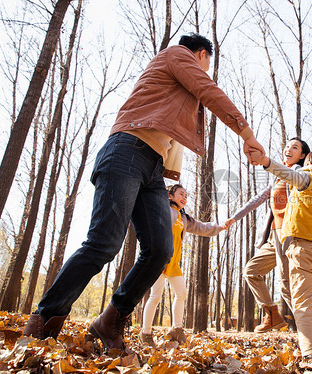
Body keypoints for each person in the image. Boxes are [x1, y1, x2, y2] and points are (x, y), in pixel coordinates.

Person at [23, 33, 265, 350]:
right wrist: (246, 133)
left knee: (160, 250)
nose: (205, 70)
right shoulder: (178, 55)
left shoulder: (176, 81)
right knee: (104, 243)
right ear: (203, 54)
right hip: (126, 151)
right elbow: (208, 90)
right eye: (207, 63)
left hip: (152, 170)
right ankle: (45, 319)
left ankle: (110, 321)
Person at [249, 149, 312, 369]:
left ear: (309, 163)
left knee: (302, 302)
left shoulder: (310, 176)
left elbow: (289, 175)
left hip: (303, 244)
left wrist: (265, 161)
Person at [224, 137, 310, 333]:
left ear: (302, 155)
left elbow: (290, 175)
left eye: (295, 148)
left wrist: (265, 161)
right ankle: (272, 314)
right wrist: (234, 218)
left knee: (287, 285)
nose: (289, 149)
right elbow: (257, 199)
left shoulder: (297, 172)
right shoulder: (277, 178)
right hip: (272, 237)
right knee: (251, 271)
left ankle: (310, 330)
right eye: (287, 146)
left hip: (287, 233)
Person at [139, 184, 224, 347]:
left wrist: (220, 226)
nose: (184, 197)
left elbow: (202, 227)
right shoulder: (163, 210)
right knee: (155, 297)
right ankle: (146, 332)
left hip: (174, 263)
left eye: (186, 195)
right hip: (159, 260)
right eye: (181, 194)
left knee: (182, 293)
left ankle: (176, 329)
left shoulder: (183, 217)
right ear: (170, 196)